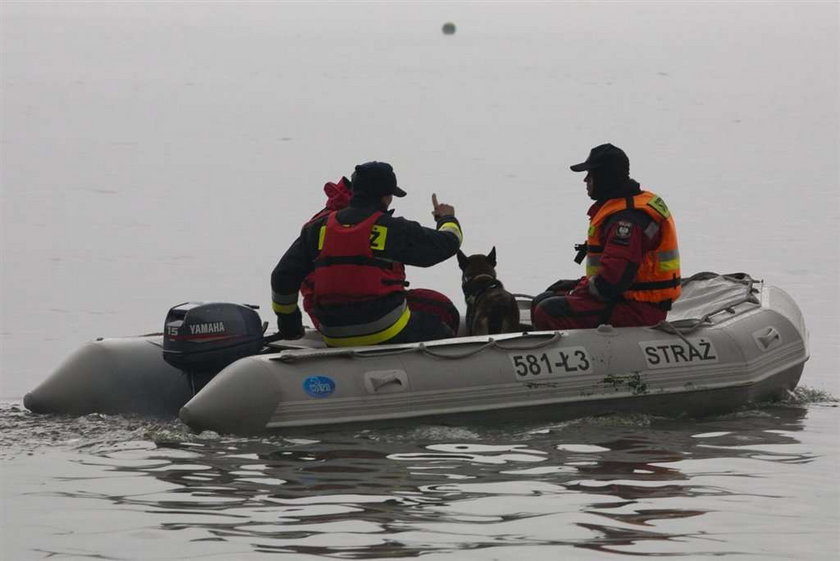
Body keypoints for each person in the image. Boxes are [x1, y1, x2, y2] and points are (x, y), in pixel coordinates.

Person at [271, 161, 463, 346]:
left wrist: (290, 324)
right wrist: (446, 218)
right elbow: (447, 243)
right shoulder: (392, 228)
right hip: (385, 326)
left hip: (333, 332)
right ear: (385, 197)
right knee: (442, 319)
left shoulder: (318, 228)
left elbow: (282, 277)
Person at [531, 143, 681, 330]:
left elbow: (611, 282)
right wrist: (578, 285)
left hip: (638, 309)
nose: (585, 180)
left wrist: (578, 291)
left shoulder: (627, 220)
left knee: (547, 311)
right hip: (626, 299)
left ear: (605, 177)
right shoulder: (623, 208)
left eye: (590, 175)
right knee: (544, 298)